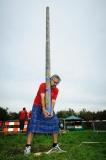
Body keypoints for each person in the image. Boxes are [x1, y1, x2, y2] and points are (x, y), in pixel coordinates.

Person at [24, 74, 65, 155]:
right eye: (55, 82)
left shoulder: (56, 90)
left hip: (48, 107)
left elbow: (53, 101)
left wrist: (52, 110)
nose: (56, 84)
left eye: (57, 83)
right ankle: (27, 147)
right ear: (50, 79)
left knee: (55, 122)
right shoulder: (43, 85)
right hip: (38, 106)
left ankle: (55, 146)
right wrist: (43, 109)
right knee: (33, 125)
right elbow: (42, 97)